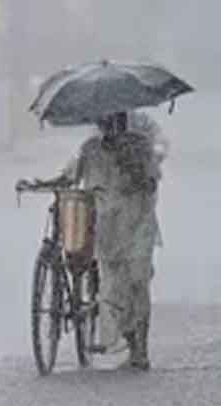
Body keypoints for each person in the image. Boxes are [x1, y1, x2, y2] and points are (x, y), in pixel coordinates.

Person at [46, 111, 164, 370]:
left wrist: (136, 171)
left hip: (139, 224)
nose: (111, 126)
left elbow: (153, 181)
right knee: (113, 290)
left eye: (116, 121)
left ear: (123, 121)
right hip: (108, 229)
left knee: (138, 283)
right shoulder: (90, 149)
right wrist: (43, 183)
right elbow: (69, 176)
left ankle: (140, 349)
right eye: (106, 122)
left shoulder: (140, 146)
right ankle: (130, 339)